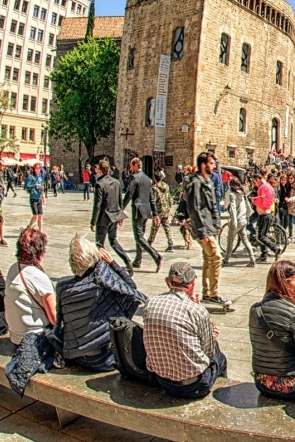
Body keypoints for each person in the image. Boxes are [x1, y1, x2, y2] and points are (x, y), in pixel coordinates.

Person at [54, 233, 146, 371]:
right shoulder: (102, 285)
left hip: (77, 357)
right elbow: (130, 288)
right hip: (104, 360)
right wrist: (112, 263)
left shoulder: (62, 287)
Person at [143, 261, 228, 399]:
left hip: (163, 381)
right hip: (194, 386)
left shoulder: (150, 303)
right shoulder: (197, 310)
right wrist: (210, 335)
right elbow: (208, 352)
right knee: (219, 357)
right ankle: (221, 397)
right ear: (192, 285)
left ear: (167, 281)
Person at [249, 260, 295, 400]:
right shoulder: (293, 313)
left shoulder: (255, 310)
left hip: (262, 384)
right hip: (292, 388)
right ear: (284, 283)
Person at [186, 153, 231, 310]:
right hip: (203, 229)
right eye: (211, 163)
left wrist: (217, 223)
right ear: (203, 165)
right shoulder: (195, 183)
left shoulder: (209, 182)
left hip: (210, 227)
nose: (214, 166)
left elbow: (213, 205)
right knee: (217, 258)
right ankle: (213, 293)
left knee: (209, 259)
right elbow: (194, 208)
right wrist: (202, 231)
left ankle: (207, 293)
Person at [4, 228, 56, 345]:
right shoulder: (38, 277)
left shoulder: (13, 269)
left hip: (15, 338)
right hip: (35, 340)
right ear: (40, 252)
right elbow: (54, 319)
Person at [90, 160, 132, 269]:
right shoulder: (117, 182)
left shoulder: (100, 184)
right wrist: (120, 215)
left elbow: (97, 205)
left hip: (103, 219)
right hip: (114, 217)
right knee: (113, 241)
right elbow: (120, 200)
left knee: (99, 244)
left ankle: (99, 268)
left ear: (99, 170)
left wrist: (93, 222)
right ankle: (127, 260)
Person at [123, 158, 161, 273]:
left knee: (139, 237)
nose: (130, 168)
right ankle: (138, 260)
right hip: (146, 210)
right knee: (141, 237)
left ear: (135, 166)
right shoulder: (148, 179)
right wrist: (155, 214)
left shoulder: (135, 178)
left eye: (131, 166)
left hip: (138, 210)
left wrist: (120, 209)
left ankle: (156, 256)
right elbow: (151, 198)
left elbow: (129, 194)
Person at [223, 177, 255, 267]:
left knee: (230, 241)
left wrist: (234, 221)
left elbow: (233, 208)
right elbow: (249, 207)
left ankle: (226, 260)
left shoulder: (232, 195)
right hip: (243, 220)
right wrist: (247, 218)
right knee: (245, 240)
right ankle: (252, 260)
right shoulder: (243, 194)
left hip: (236, 221)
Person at [149, 172, 177, 252]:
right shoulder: (166, 186)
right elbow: (169, 198)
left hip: (158, 210)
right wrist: (169, 208)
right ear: (161, 178)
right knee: (167, 227)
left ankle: (149, 243)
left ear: (155, 179)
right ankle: (171, 244)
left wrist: (153, 212)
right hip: (166, 210)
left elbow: (153, 200)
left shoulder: (154, 188)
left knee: (154, 228)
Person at [24, 163, 46, 231]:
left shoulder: (40, 178)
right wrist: (34, 185)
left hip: (39, 198)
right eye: (36, 168)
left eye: (39, 168)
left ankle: (40, 231)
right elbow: (27, 186)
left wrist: (43, 197)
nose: (38, 169)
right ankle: (29, 228)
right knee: (35, 216)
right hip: (33, 198)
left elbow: (42, 188)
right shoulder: (31, 177)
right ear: (34, 169)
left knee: (40, 216)